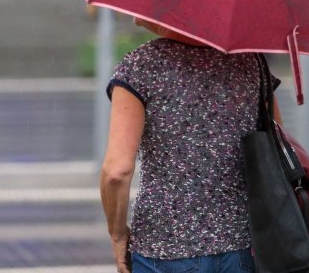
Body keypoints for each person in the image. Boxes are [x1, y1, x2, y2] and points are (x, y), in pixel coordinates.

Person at [100, 17, 280, 273]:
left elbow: (116, 172)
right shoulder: (250, 63)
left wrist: (117, 235)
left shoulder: (140, 67)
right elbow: (276, 147)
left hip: (161, 251)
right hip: (240, 248)